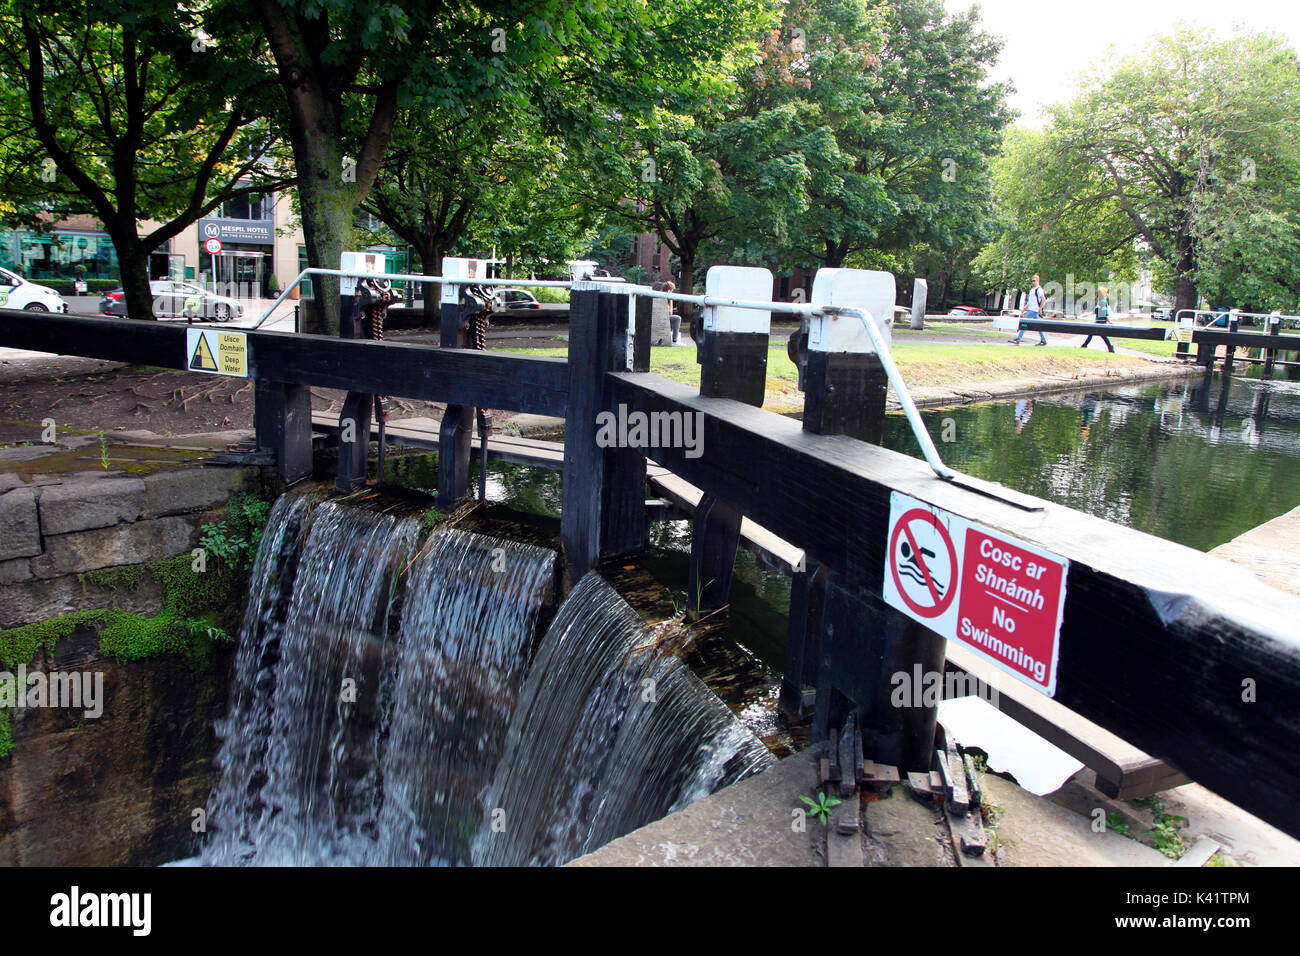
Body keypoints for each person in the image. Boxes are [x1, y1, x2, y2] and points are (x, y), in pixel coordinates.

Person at [1011, 274, 1048, 345]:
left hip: (1034, 310)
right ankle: (1043, 340)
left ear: (1038, 281)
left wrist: (1040, 308)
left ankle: (1018, 339)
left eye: (1034, 281)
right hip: (1032, 309)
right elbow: (1030, 301)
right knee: (1038, 325)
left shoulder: (1039, 290)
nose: (1033, 282)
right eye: (1032, 281)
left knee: (1024, 323)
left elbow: (1043, 299)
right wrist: (1024, 308)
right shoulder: (1032, 290)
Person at [1081, 287, 1112, 351]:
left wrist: (1110, 321)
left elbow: (1105, 313)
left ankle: (1084, 345)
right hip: (1098, 321)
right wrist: (1085, 315)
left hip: (1101, 322)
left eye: (1099, 293)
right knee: (1101, 335)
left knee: (1094, 334)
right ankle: (1110, 347)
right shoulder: (1100, 302)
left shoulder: (1103, 302)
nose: (1097, 294)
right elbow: (1094, 311)